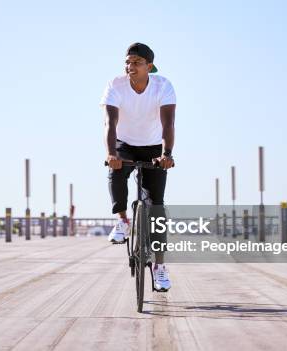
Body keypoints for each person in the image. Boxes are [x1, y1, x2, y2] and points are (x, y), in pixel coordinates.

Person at [100, 42, 176, 292]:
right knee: (116, 172)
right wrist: (111, 153)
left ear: (149, 67)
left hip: (154, 147)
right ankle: (123, 220)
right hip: (125, 144)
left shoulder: (162, 86)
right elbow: (110, 123)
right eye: (127, 62)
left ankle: (160, 268)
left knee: (156, 209)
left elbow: (168, 124)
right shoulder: (116, 84)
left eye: (136, 62)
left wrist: (167, 154)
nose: (130, 66)